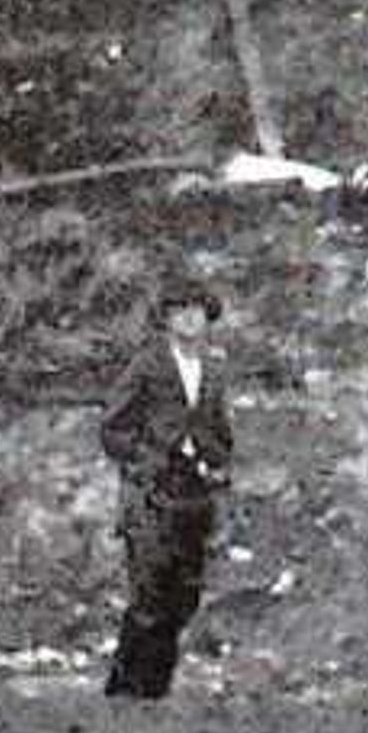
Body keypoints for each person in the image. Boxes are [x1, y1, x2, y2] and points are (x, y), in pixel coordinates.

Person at [96, 270, 235, 701]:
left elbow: (219, 430)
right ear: (167, 320)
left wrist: (217, 465)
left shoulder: (212, 371)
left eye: (197, 312)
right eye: (180, 312)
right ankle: (125, 692)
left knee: (184, 596)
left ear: (208, 318)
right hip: (153, 495)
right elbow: (113, 426)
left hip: (194, 496)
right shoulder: (148, 364)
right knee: (149, 595)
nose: (190, 320)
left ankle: (156, 690)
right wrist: (144, 465)